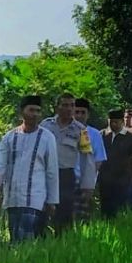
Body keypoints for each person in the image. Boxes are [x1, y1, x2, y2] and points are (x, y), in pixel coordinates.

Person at [0, 96, 59, 243]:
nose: (35, 114)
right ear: (22, 112)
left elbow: (52, 170)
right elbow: (0, 167)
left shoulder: (47, 137)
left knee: (28, 240)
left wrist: (52, 201)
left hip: (35, 198)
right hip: (12, 198)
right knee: (14, 239)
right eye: (31, 110)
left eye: (38, 111)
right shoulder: (9, 137)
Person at [39, 93, 89, 232]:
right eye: (65, 105)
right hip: (45, 174)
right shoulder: (45, 125)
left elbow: (87, 158)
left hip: (66, 175)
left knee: (65, 213)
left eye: (72, 105)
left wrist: (87, 184)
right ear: (57, 107)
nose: (69, 108)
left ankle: (62, 242)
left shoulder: (81, 130)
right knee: (42, 209)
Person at [73, 98, 108, 222]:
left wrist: (90, 181)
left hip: (84, 182)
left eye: (83, 112)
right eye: (76, 112)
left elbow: (99, 160)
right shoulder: (63, 130)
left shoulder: (93, 134)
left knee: (82, 217)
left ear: (88, 114)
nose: (79, 115)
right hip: (65, 180)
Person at [99, 109, 132, 218]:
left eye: (116, 122)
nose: (113, 124)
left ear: (122, 122)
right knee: (105, 204)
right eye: (111, 122)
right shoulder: (102, 134)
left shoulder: (129, 137)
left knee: (119, 204)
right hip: (105, 176)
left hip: (122, 177)